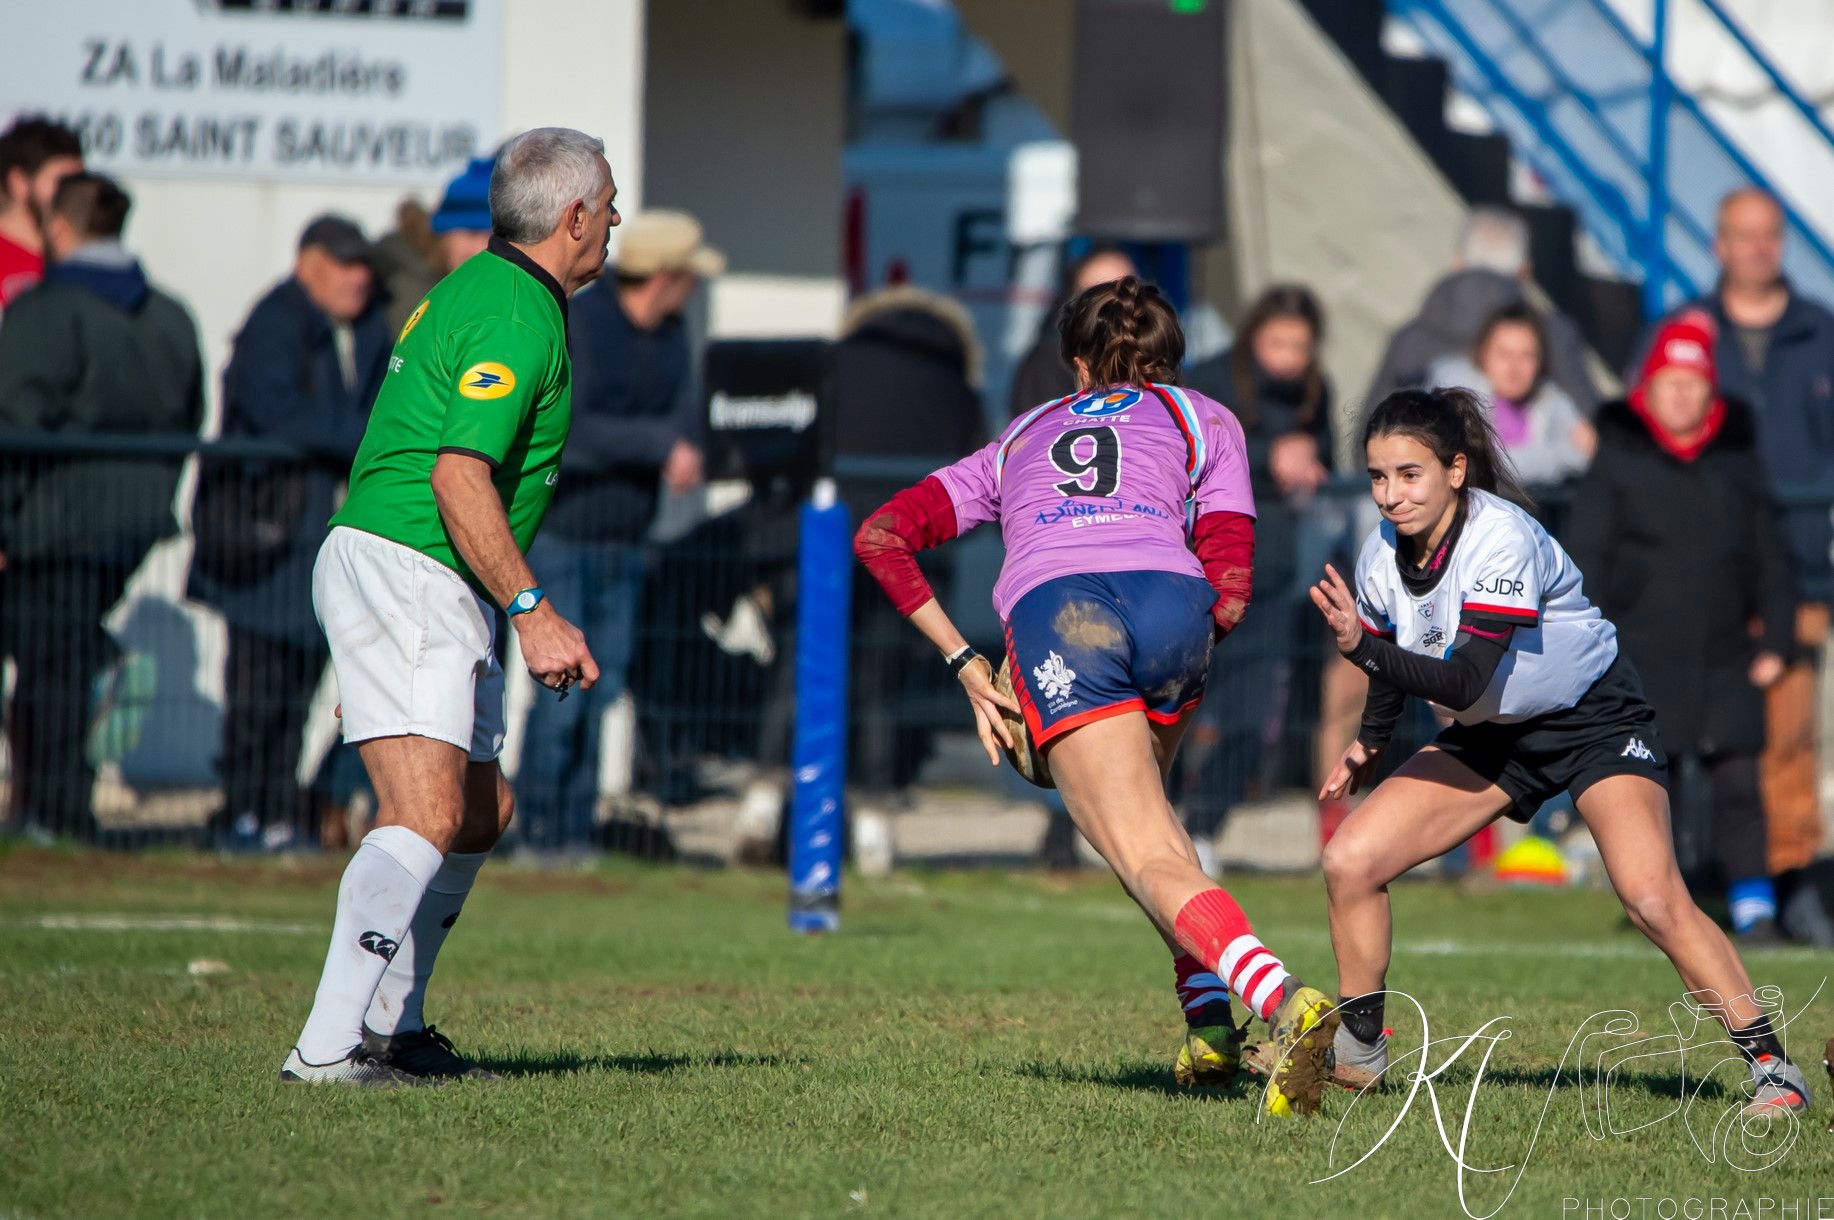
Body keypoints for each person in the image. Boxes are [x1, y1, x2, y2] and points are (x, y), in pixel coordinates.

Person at [855, 276, 1340, 1118]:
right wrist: (1183, 646)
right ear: (1172, 361)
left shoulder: (1023, 434)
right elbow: (1230, 580)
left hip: (1063, 616)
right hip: (1172, 606)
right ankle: (1210, 1027)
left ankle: (1287, 1002)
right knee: (1155, 842)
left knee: (1140, 851)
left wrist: (968, 662)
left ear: (1077, 363)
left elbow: (883, 534)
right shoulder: (1206, 418)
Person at [1306, 385, 1814, 1115]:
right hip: (1493, 733)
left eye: (1408, 474)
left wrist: (1361, 650)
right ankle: (1360, 1056)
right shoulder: (1380, 552)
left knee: (1650, 897)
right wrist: (1371, 740)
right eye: (1378, 476)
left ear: (1455, 470)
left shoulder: (1498, 536)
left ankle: (1773, 1069)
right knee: (1350, 861)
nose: (1390, 495)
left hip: (1592, 719)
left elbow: (1463, 674)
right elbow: (1396, 649)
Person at [281, 127, 615, 1086]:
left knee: (478, 810)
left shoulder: (481, 288)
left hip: (418, 576)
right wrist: (533, 609)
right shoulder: (515, 310)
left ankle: (395, 1027)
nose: (616, 223)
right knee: (424, 809)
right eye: (611, 204)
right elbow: (459, 474)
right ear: (574, 216)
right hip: (418, 565)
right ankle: (327, 1051)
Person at [1631, 188, 1834, 945]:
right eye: (1741, 236)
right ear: (1718, 245)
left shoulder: (1819, 331)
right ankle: (1683, 886)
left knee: (1787, 739)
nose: (1756, 249)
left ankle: (1789, 885)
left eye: (1769, 236)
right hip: (1692, 579)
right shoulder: (1684, 332)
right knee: (1682, 741)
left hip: (1795, 570)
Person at [1568, 310, 1798, 945]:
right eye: (1669, 381)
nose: (1682, 394)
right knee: (1646, 785)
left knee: (1739, 786)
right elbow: (1587, 559)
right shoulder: (1619, 459)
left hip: (1728, 655)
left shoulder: (1738, 461)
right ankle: (1658, 901)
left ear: (1710, 391)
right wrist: (1594, 649)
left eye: (1694, 383)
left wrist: (1776, 642)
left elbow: (1772, 557)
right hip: (1639, 658)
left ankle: (1755, 910)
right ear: (1648, 387)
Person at [0, 172, 203, 836]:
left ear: (59, 226)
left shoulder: (44, 311)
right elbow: (188, 418)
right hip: (133, 520)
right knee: (57, 653)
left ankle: (51, 811)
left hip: (48, 523)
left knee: (47, 667)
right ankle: (97, 666)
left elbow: (15, 423)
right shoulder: (170, 316)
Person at [515, 209, 718, 849]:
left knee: (601, 697)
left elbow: (686, 413)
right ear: (667, 275)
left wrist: (677, 444)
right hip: (565, 537)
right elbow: (575, 425)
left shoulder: (672, 333)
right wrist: (662, 445)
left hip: (628, 539)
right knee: (559, 698)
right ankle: (538, 832)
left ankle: (576, 834)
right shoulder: (584, 321)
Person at [188, 216, 390, 852]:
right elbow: (279, 414)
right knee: (257, 688)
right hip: (265, 539)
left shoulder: (370, 327)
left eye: (364, 266)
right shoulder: (275, 323)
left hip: (317, 543)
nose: (359, 277)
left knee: (299, 689)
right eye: (345, 264)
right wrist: (363, 441)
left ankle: (276, 812)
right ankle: (243, 811)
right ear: (310, 263)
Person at [1181, 285, 1333, 863]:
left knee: (1250, 720)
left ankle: (1204, 830)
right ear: (1253, 337)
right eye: (1278, 342)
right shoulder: (1213, 382)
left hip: (1268, 580)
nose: (1289, 356)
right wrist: (1267, 454)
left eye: (1301, 345)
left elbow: (1329, 466)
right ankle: (1148, 824)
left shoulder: (1317, 392)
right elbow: (1187, 454)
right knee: (1174, 705)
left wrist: (1310, 462)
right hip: (1197, 575)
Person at [1367, 207, 1597, 413]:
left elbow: (1368, 437)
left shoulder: (1409, 339)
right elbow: (1591, 425)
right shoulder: (1554, 336)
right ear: (1525, 271)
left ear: (1457, 262)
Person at [1428, 303, 1594, 487]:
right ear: (1483, 354)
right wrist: (1565, 455)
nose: (1514, 368)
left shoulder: (1549, 397)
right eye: (1504, 354)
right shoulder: (1457, 393)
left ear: (1540, 362)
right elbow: (1488, 464)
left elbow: (1589, 447)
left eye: (1526, 355)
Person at [372, 155, 497, 339]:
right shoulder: (412, 291)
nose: (482, 247)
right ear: (445, 234)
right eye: (472, 233)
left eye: (495, 236)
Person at [1007, 244, 1137, 417]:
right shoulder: (1049, 359)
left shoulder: (1155, 351)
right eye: (1099, 295)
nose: (1114, 305)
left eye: (1125, 292)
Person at [0, 117, 82, 321]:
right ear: (18, 182)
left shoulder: (79, 259)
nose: (73, 192)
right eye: (61, 181)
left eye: (79, 181)